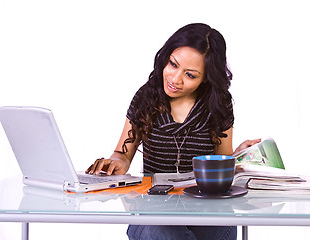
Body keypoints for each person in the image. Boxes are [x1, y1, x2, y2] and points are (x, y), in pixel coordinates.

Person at [86, 23, 261, 240]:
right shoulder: (146, 96)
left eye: (190, 75)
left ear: (206, 77)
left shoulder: (218, 104)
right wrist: (117, 162)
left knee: (219, 227)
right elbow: (122, 153)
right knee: (163, 232)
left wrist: (236, 157)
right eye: (172, 64)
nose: (175, 79)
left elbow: (219, 161)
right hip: (153, 210)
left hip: (204, 209)